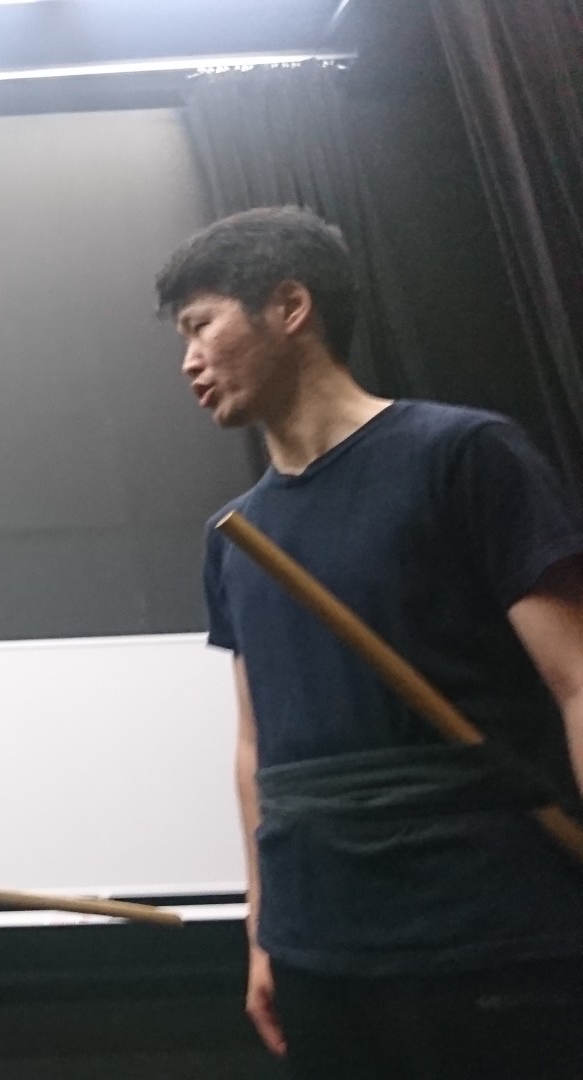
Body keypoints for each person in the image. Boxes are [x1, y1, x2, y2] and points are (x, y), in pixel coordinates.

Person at [157, 206, 583, 1079]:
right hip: (317, 945)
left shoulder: (463, 455)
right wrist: (263, 928)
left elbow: (576, 680)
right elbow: (255, 748)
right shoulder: (236, 535)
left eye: (202, 325)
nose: (189, 360)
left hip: (489, 927)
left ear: (290, 306)